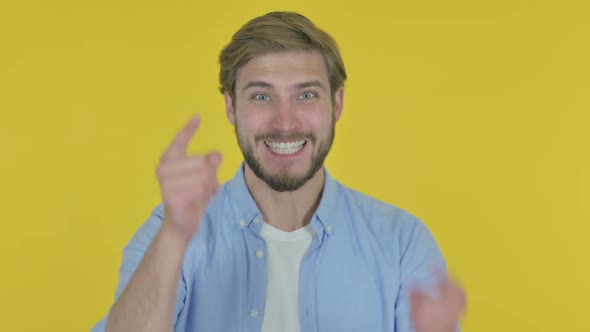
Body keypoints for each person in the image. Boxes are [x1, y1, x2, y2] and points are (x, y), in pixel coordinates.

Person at [91, 11, 465, 332]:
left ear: (336, 104)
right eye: (261, 96)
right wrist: (173, 238)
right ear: (231, 108)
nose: (285, 123)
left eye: (306, 95)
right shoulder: (167, 232)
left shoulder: (402, 244)